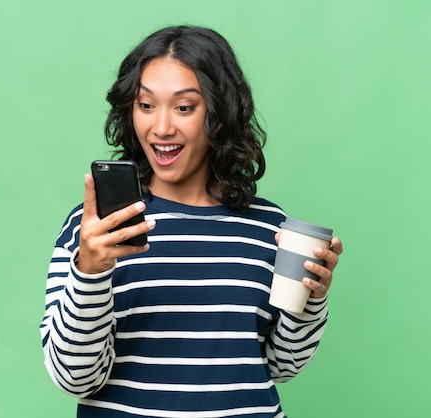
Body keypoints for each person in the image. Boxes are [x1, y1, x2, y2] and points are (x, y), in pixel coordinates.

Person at [40, 25, 343, 418]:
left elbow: (282, 366)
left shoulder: (270, 227)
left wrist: (311, 299)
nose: (162, 127)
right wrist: (90, 274)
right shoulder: (95, 228)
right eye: (146, 105)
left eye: (184, 107)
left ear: (219, 113)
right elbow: (74, 379)